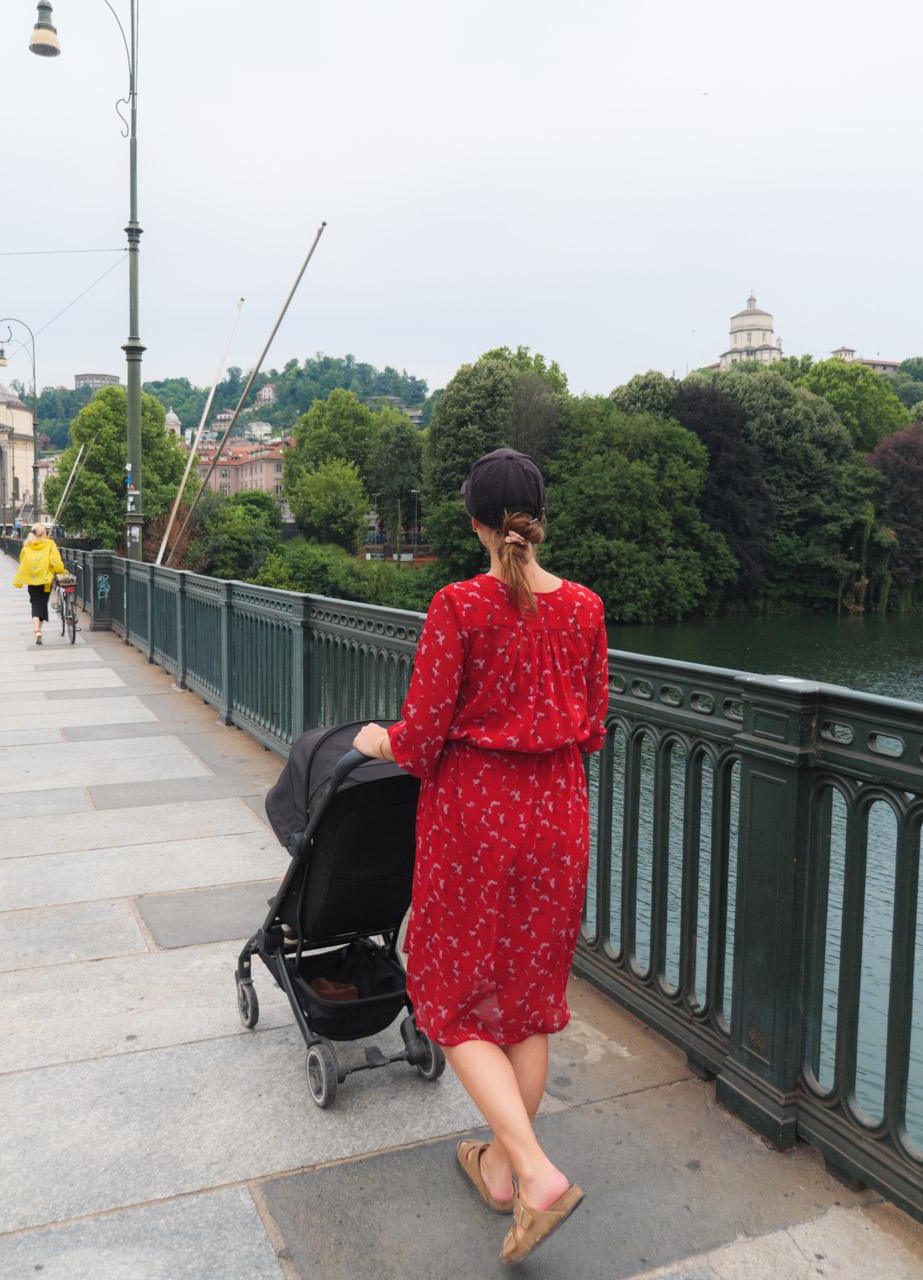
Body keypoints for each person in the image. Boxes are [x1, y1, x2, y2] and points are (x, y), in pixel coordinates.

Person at [353, 448, 609, 1266]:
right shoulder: (586, 608)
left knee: (446, 991)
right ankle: (499, 1166)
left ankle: (533, 1171)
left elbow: (423, 737)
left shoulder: (459, 605)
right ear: (540, 516)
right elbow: (594, 723)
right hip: (560, 815)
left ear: (471, 520)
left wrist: (377, 738)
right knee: (528, 998)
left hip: (477, 817)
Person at [12, 523, 65, 645]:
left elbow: (22, 560)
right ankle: (39, 629)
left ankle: (37, 630)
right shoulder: (49, 543)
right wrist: (61, 571)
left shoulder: (27, 546)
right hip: (46, 580)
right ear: (43, 533)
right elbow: (55, 561)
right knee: (42, 603)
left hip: (32, 579)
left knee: (35, 603)